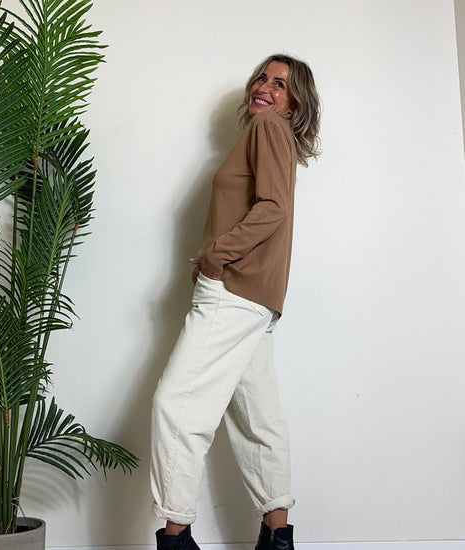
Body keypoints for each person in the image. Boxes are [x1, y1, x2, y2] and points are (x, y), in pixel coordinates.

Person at [150, 53, 321, 550]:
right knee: (258, 419)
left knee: (175, 407)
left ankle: (176, 538)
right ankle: (277, 536)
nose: (265, 87)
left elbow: (273, 209)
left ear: (295, 103)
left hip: (234, 290)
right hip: (257, 298)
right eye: (262, 78)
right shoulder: (274, 134)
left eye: (281, 84)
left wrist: (215, 256)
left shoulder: (267, 128)